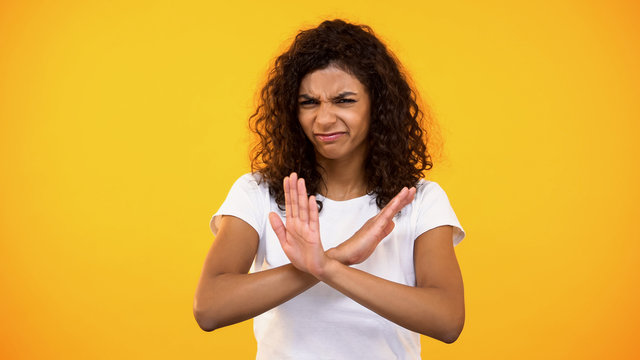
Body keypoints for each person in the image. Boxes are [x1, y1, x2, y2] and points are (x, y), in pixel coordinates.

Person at [193, 19, 466, 359]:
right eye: (309, 102)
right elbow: (210, 307)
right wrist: (339, 256)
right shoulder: (257, 192)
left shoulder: (419, 200)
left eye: (344, 101)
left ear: (376, 106)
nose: (323, 119)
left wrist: (326, 267)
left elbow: (447, 319)